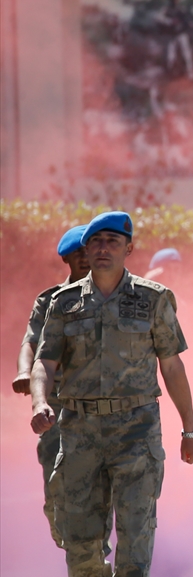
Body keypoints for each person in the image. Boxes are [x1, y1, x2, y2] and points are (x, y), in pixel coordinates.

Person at [31, 211, 193, 577]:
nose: (103, 247)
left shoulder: (154, 299)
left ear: (129, 248)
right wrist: (39, 402)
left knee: (135, 529)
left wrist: (190, 428)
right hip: (81, 429)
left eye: (112, 240)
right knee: (80, 538)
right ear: (86, 251)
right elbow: (44, 361)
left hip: (136, 428)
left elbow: (172, 366)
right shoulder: (64, 303)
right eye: (96, 241)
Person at [13, 225, 90, 556]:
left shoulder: (112, 295)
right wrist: (23, 372)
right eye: (79, 254)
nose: (87, 259)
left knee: (99, 488)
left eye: (91, 252)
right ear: (67, 259)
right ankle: (75, 552)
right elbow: (30, 342)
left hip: (98, 405)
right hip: (58, 407)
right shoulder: (50, 301)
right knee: (57, 488)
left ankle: (91, 560)